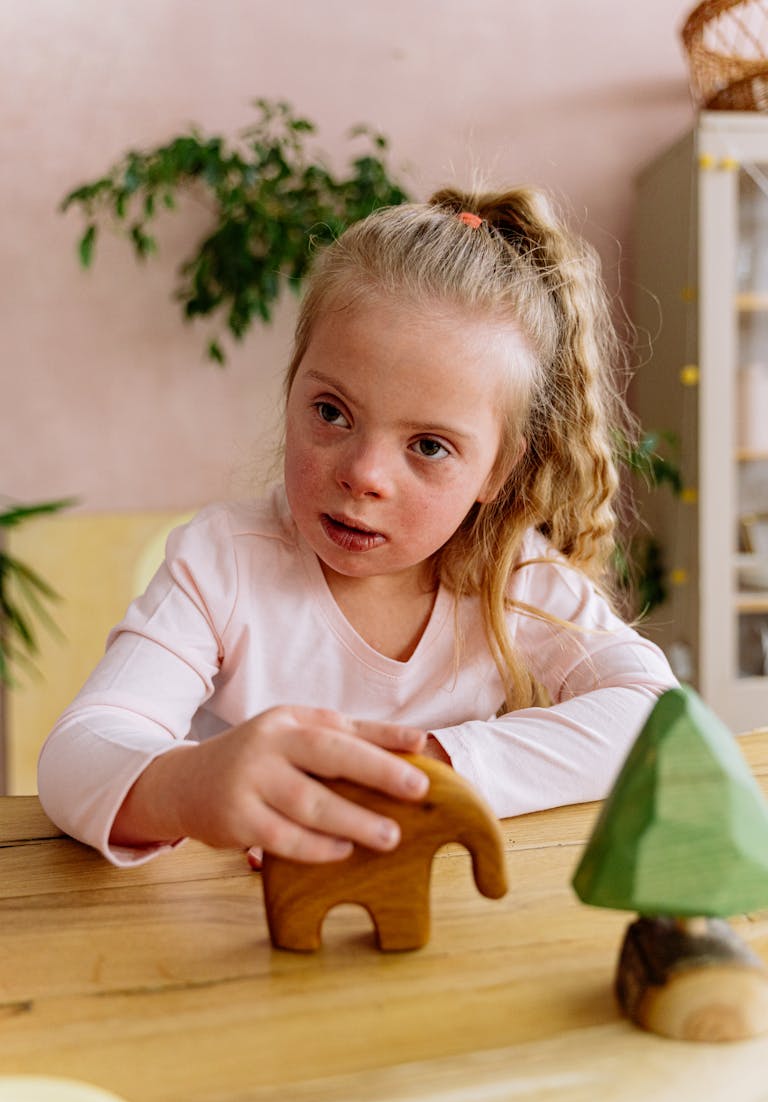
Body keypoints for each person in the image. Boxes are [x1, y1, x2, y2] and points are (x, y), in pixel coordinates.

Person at [38, 186, 677, 868]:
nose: (364, 474)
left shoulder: (516, 576)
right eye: (332, 412)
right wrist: (187, 786)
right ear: (291, 390)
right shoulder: (223, 562)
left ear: (496, 472)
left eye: (429, 445)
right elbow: (78, 754)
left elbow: (655, 715)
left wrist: (418, 770)